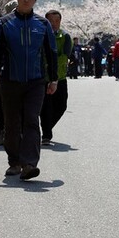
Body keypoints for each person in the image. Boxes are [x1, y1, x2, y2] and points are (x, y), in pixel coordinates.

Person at [0, 0, 58, 180]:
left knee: (32, 120)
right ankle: (14, 161)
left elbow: (51, 52)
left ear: (35, 0)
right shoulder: (3, 23)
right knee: (12, 122)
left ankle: (29, 164)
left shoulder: (42, 24)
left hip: (36, 81)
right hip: (10, 81)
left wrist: (54, 79)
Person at [40, 10, 72, 146]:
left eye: (56, 21)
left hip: (60, 77)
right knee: (45, 106)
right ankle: (46, 134)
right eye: (50, 21)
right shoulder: (41, 35)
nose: (53, 24)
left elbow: (64, 57)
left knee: (61, 105)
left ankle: (47, 127)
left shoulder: (65, 36)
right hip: (43, 77)